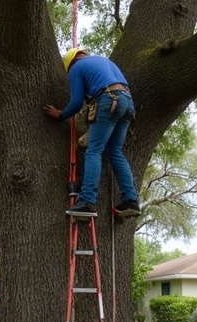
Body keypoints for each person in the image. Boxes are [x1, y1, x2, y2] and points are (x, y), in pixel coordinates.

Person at [43, 47, 141, 218]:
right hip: (127, 103)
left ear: (71, 62)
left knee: (94, 150)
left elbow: (76, 103)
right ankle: (131, 200)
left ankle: (87, 201)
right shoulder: (104, 61)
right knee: (115, 152)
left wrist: (60, 115)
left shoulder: (76, 68)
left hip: (108, 100)